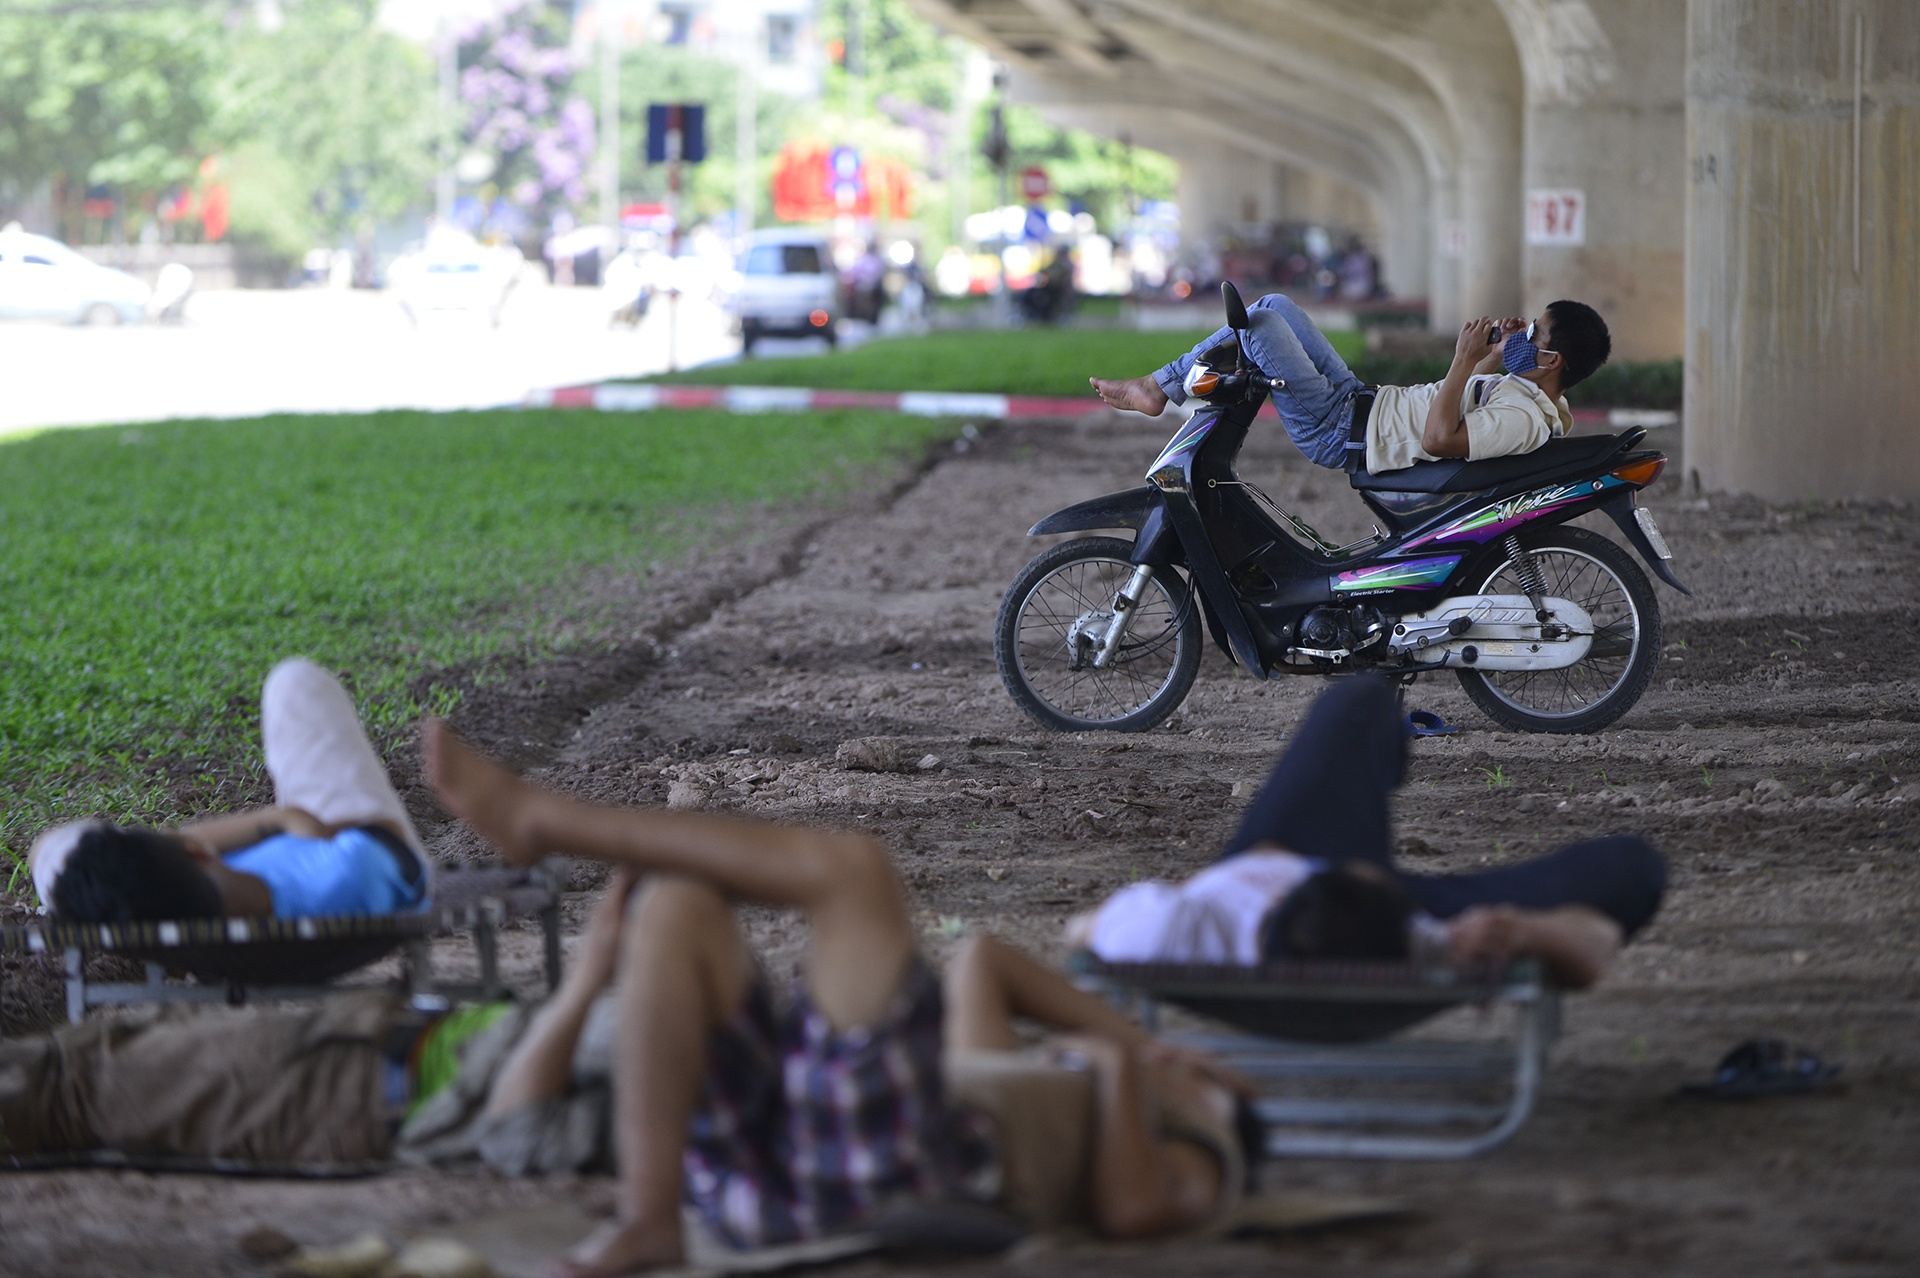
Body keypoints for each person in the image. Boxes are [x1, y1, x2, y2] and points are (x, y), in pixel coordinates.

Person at [422, 720, 1260, 1276]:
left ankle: (548, 821)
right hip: (784, 1169)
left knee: (854, 872)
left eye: (1209, 1076)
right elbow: (980, 963)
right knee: (676, 903)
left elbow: (1139, 1211)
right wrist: (1137, 1046)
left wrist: (1130, 1070)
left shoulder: (1204, 1152)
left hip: (891, 1184)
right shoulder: (1043, 1086)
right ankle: (650, 1216)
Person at [1073, 676, 1665, 987]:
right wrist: (1517, 931)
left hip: (1283, 871)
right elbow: (1592, 947)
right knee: (1632, 868)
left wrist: (1194, 890)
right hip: (1363, 911)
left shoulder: (1174, 929)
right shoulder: (1418, 933)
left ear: (1281, 895)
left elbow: (1080, 931)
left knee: (1360, 702)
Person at [28, 658, 431, 923]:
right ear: (197, 851)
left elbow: (48, 854)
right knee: (294, 682)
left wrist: (287, 823)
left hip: (268, 861)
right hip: (355, 847)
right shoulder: (349, 870)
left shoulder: (148, 916)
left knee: (60, 852)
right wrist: (284, 820)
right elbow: (375, 833)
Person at [1090, 293, 1612, 475]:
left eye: (1534, 332)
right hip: (1360, 403)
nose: (1525, 330)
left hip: (1340, 431)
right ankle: (1161, 386)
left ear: (1552, 358)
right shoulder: (1524, 395)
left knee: (1263, 327)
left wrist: (1461, 357)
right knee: (1274, 305)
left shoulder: (1526, 419)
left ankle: (1159, 389)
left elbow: (1439, 438)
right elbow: (1468, 400)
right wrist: (1493, 354)